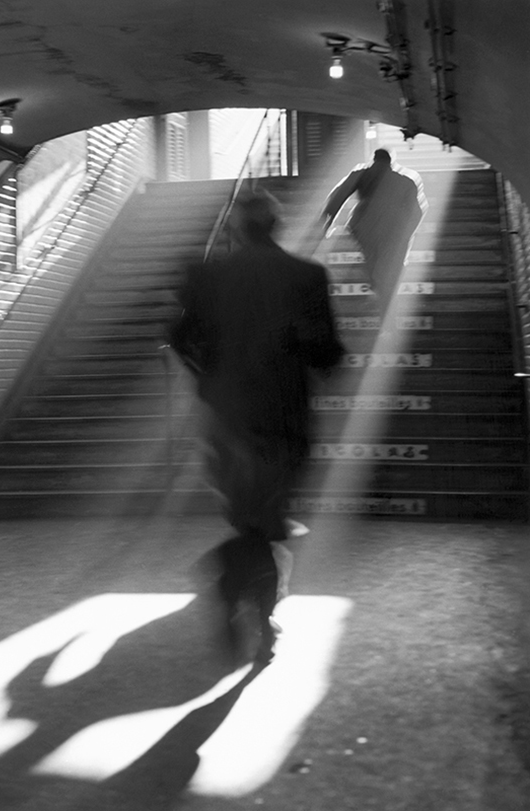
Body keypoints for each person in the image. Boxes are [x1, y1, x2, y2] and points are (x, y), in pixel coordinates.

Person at [169, 189, 344, 664]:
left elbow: (179, 338)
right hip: (284, 419)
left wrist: (209, 377)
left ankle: (238, 590)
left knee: (250, 519)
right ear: (276, 225)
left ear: (234, 229)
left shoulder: (207, 276)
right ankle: (250, 603)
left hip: (227, 418)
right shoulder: (307, 276)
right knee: (264, 521)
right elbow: (328, 352)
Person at [319, 147, 428, 323]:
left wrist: (326, 221)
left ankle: (379, 292)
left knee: (373, 262)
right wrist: (406, 234)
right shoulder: (406, 181)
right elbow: (417, 211)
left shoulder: (363, 174)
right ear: (390, 162)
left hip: (366, 229)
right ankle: (386, 309)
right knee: (388, 269)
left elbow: (339, 195)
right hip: (394, 232)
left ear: (374, 159)